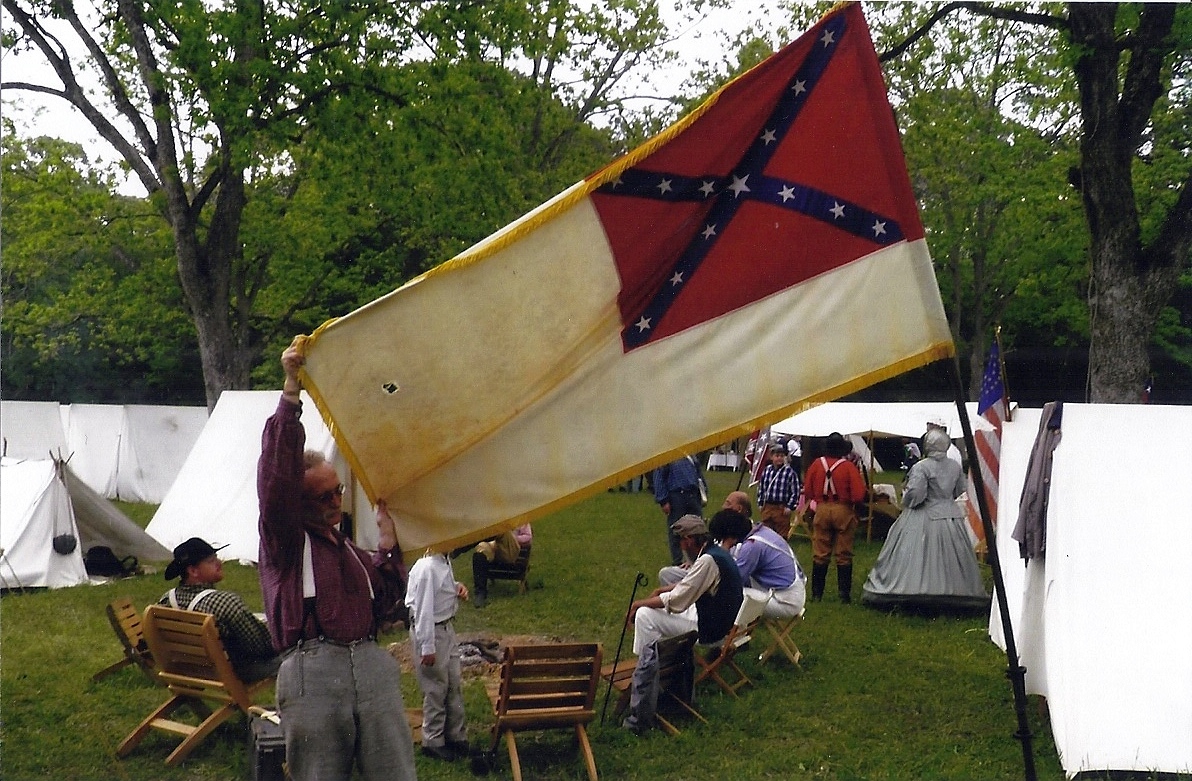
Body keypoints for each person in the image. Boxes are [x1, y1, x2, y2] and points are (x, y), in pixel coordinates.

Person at [257, 341, 417, 781]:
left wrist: (387, 549)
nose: (334, 502)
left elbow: (386, 605)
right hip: (314, 672)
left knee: (396, 774)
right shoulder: (284, 543)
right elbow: (274, 480)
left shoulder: (344, 547)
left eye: (337, 492)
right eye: (322, 496)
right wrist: (291, 392)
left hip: (370, 666)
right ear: (298, 502)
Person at [622, 515, 743, 732]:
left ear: (688, 539)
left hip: (709, 630)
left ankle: (646, 681)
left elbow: (678, 600)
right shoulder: (716, 555)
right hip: (721, 622)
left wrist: (638, 604)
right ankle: (665, 676)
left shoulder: (707, 560)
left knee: (645, 616)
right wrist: (660, 591)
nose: (680, 545)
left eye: (680, 540)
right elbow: (689, 584)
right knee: (651, 610)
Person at [861, 427, 989, 612]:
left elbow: (916, 495)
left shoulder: (922, 467)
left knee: (915, 553)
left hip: (924, 513)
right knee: (954, 555)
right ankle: (956, 588)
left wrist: (907, 500)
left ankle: (916, 589)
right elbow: (960, 489)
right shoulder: (954, 466)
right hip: (949, 514)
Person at [159, 536, 280, 683]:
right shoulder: (225, 603)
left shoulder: (166, 600)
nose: (219, 563)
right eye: (211, 561)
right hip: (234, 674)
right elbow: (262, 646)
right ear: (193, 571)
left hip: (190, 672)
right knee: (299, 658)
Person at [405, 550, 470, 761]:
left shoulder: (443, 561)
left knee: (453, 683)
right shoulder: (427, 568)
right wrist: (427, 646)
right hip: (432, 630)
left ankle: (455, 736)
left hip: (446, 628)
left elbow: (439, 590)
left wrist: (455, 588)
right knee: (435, 688)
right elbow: (423, 610)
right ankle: (433, 740)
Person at [801, 431, 867, 604]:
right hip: (842, 509)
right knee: (843, 552)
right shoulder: (848, 467)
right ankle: (844, 595)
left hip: (822, 509)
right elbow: (859, 494)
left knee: (820, 552)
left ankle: (817, 594)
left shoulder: (816, 464)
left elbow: (807, 490)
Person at [709, 509, 806, 620]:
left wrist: (723, 553)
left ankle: (727, 634)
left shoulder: (752, 546)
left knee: (724, 595)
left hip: (785, 602)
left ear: (729, 537)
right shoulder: (762, 531)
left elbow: (734, 581)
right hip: (790, 594)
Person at [657, 491, 753, 587]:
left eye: (727, 503)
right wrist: (693, 560)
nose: (723, 506)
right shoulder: (724, 523)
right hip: (705, 566)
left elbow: (731, 568)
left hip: (718, 576)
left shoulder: (747, 535)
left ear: (739, 509)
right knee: (666, 574)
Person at [652, 456, 703, 566]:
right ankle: (678, 560)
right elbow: (659, 476)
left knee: (697, 528)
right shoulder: (667, 455)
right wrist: (663, 500)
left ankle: (696, 559)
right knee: (676, 529)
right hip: (676, 495)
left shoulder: (691, 456)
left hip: (693, 495)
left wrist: (703, 493)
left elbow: (699, 475)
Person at [471, 524, 531, 608]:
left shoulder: (521, 519)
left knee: (503, 529)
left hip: (509, 549)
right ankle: (480, 594)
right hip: (494, 548)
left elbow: (528, 537)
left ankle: (462, 548)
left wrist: (513, 538)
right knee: (481, 550)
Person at [756, 441, 800, 539]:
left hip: (781, 508)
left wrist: (790, 507)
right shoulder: (767, 471)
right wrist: (760, 504)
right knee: (766, 533)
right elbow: (761, 488)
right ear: (772, 457)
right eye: (777, 456)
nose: (779, 458)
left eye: (782, 456)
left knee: (781, 535)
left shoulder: (790, 473)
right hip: (767, 506)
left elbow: (795, 492)